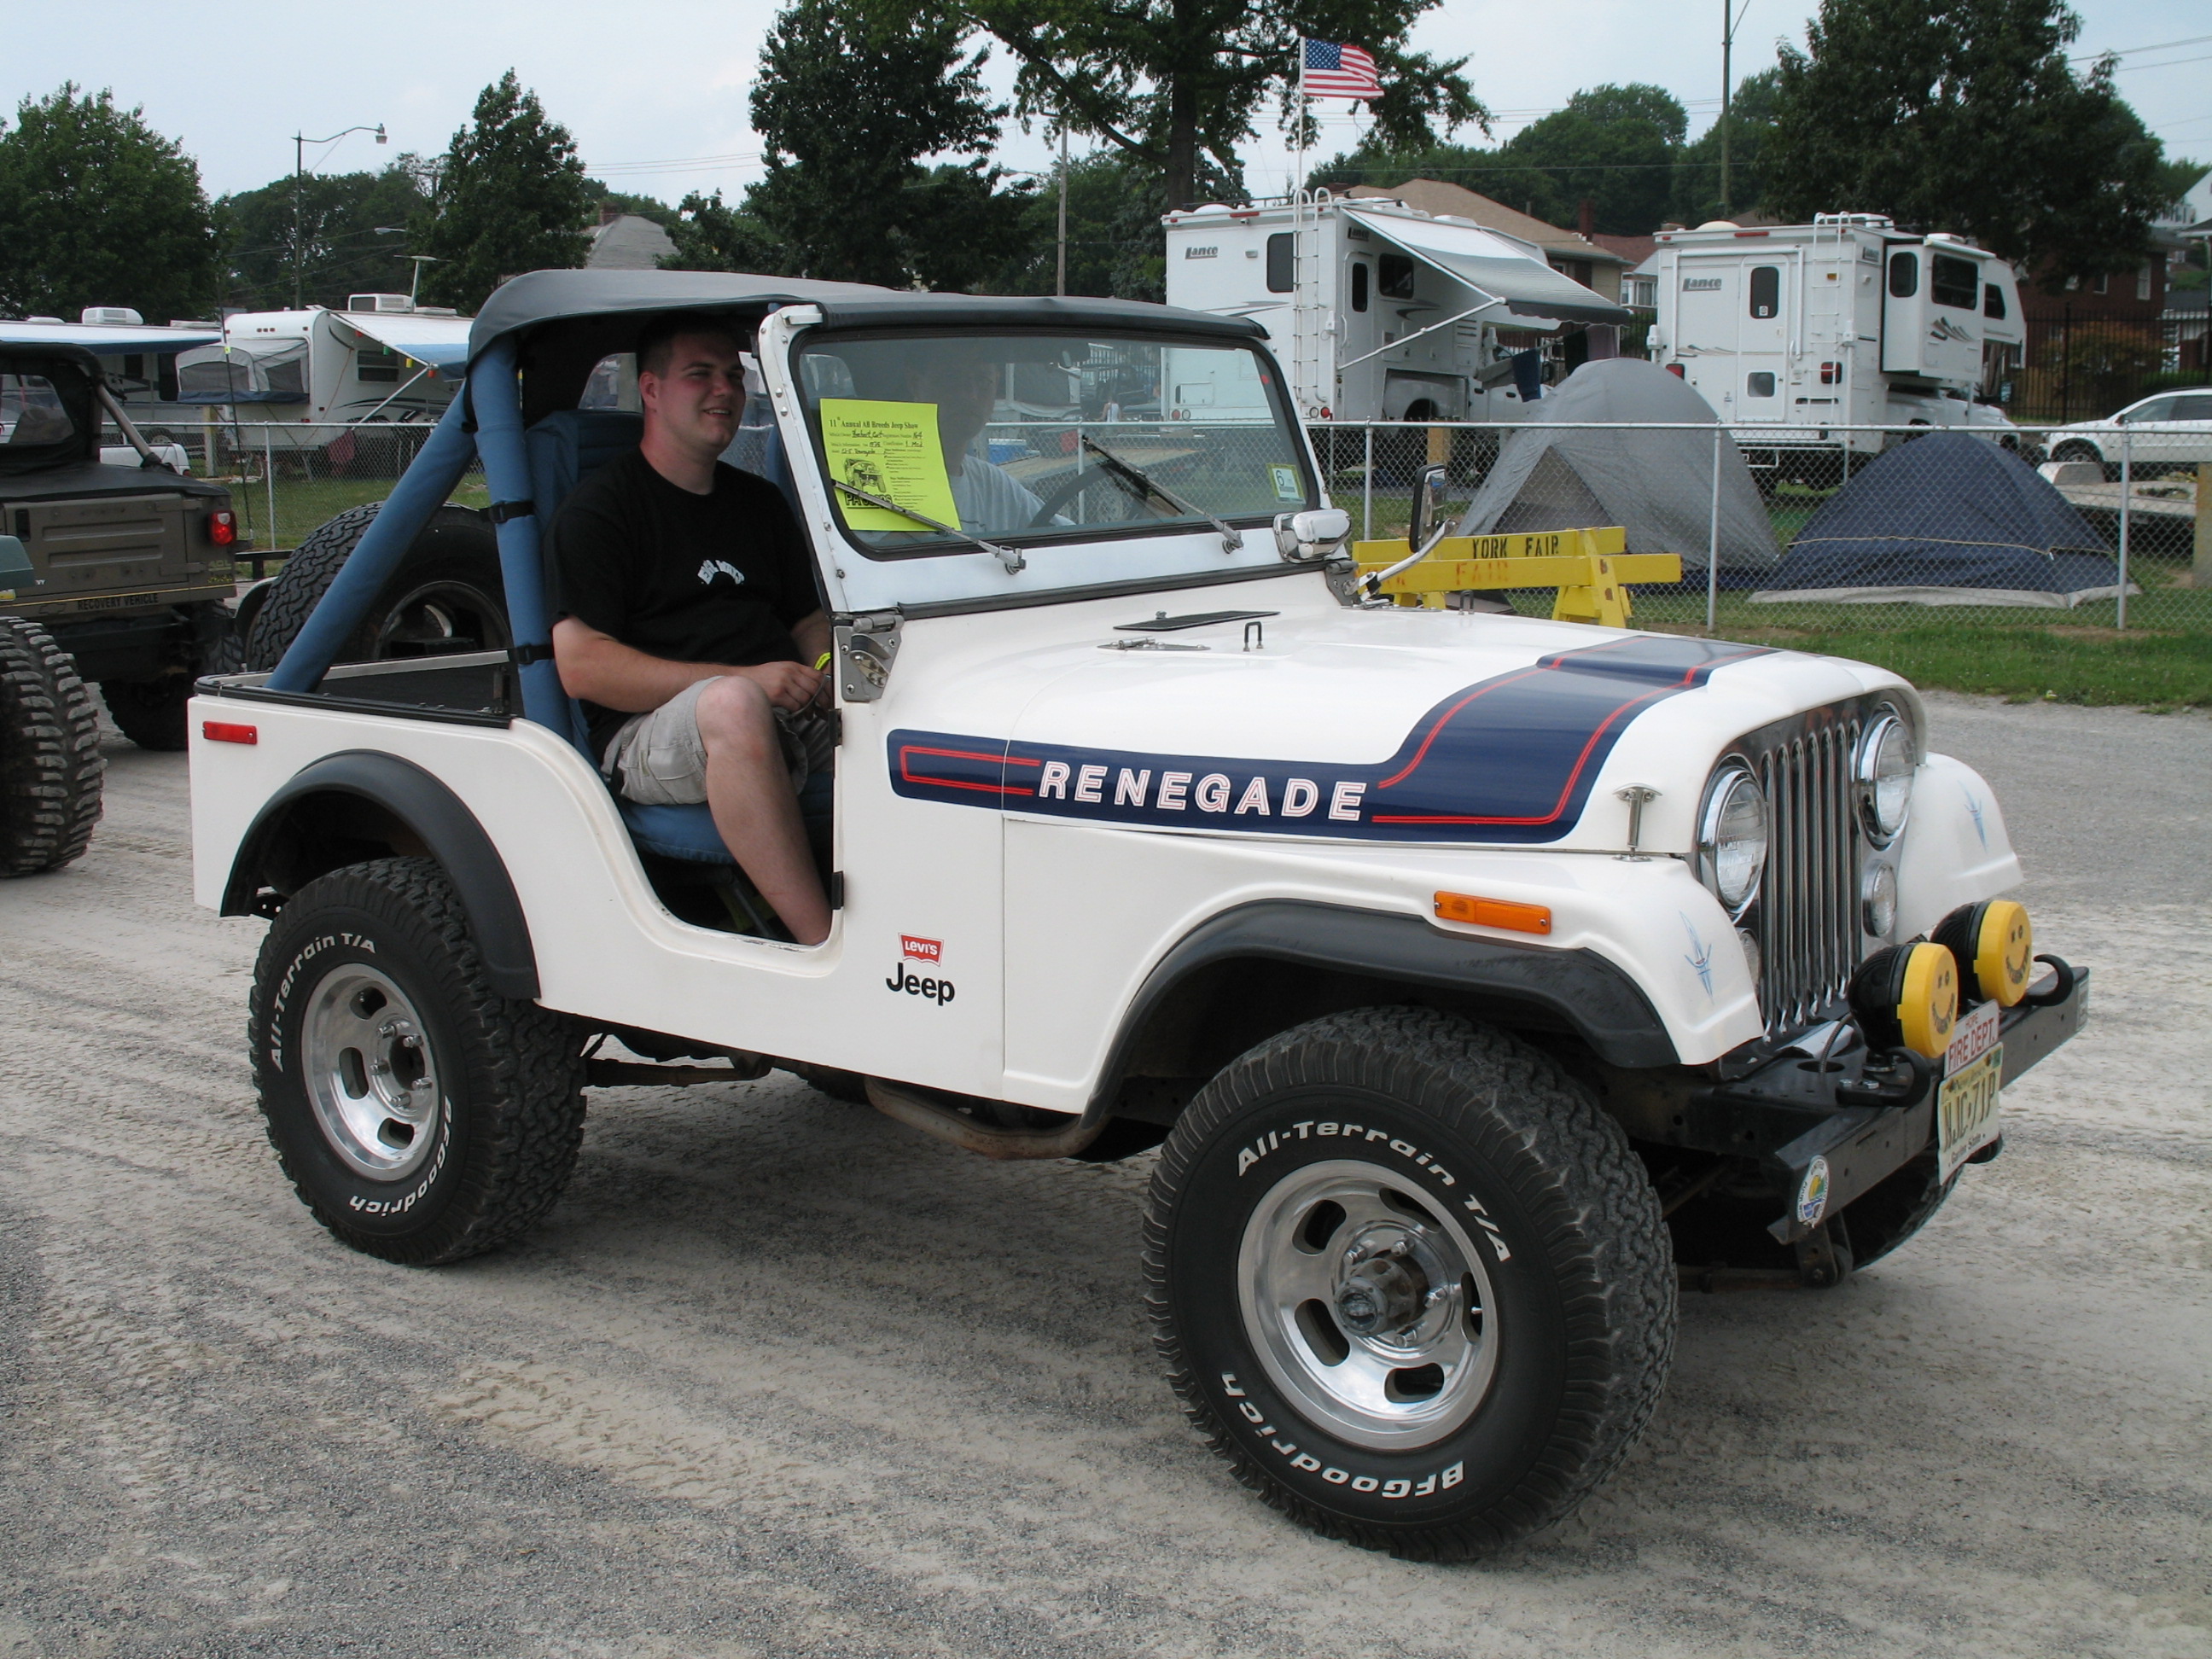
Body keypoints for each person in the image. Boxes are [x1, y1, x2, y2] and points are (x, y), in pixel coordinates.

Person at [549, 313, 833, 946]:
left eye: (733, 375)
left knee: (902, 702)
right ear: (650, 390)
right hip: (648, 732)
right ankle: (822, 948)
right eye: (699, 374)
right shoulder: (600, 511)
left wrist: (826, 673)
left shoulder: (760, 504)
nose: (725, 390)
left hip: (781, 706)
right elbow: (583, 665)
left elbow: (808, 621)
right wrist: (747, 680)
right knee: (734, 704)